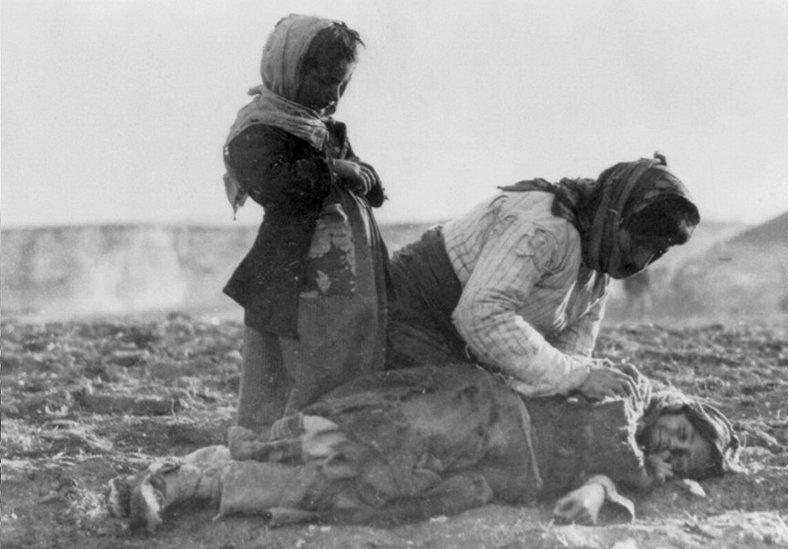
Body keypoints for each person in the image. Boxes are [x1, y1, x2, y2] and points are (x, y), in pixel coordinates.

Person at [105, 365, 741, 531]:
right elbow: (612, 428)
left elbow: (604, 485)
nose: (672, 448)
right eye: (681, 434)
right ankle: (180, 475)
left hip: (496, 474)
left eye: (686, 458)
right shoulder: (630, 394)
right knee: (366, 444)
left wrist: (604, 490)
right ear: (676, 408)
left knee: (371, 497)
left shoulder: (636, 469)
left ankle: (206, 484)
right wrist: (634, 470)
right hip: (484, 416)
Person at [386, 154, 700, 400]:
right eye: (641, 242)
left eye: (658, 251)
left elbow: (570, 354)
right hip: (411, 313)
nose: (642, 260)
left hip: (464, 342)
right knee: (463, 415)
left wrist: (586, 382)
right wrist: (578, 379)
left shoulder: (598, 271)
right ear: (616, 214)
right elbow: (481, 315)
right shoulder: (546, 227)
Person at [222, 14, 389, 431]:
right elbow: (275, 186)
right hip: (293, 275)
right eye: (325, 82)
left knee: (343, 352)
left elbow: (360, 177)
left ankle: (331, 433)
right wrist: (334, 170)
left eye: (342, 85)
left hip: (343, 275)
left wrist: (366, 179)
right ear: (289, 71)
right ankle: (281, 445)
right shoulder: (257, 130)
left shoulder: (324, 129)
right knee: (295, 367)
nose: (334, 96)